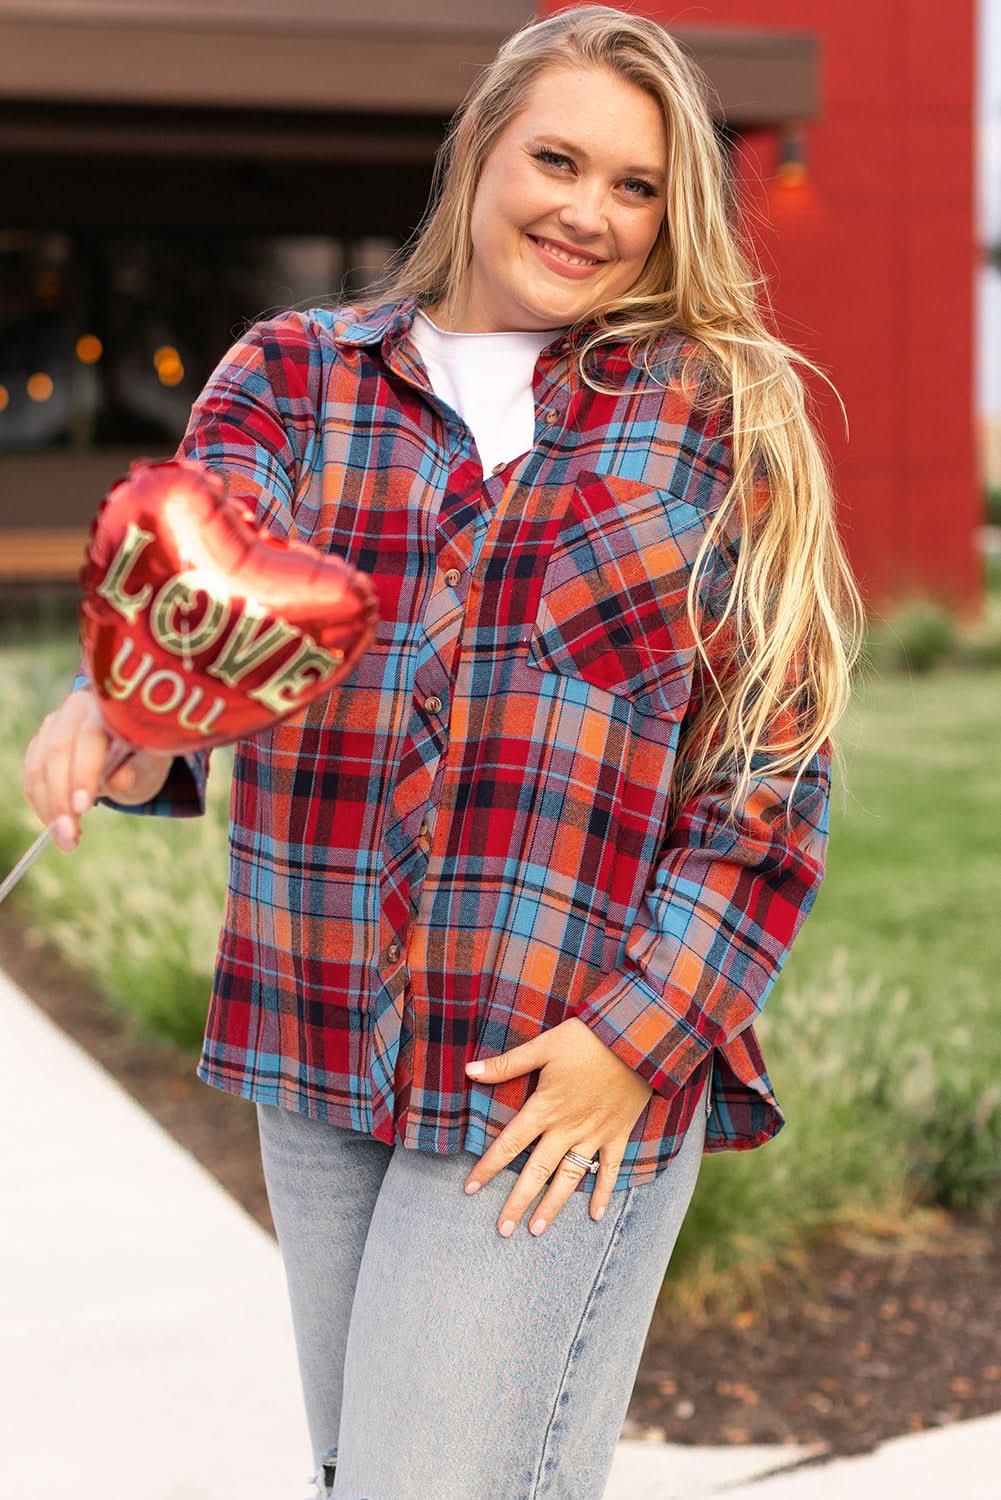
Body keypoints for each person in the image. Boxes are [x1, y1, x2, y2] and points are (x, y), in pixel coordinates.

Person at [21, 6, 864, 1497]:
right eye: (556, 157)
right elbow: (198, 587)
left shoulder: (711, 420)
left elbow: (767, 774)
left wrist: (635, 1042)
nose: (585, 213)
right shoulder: (295, 378)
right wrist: (123, 711)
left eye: (635, 186)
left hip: (559, 1067)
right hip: (317, 1035)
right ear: (480, 146)